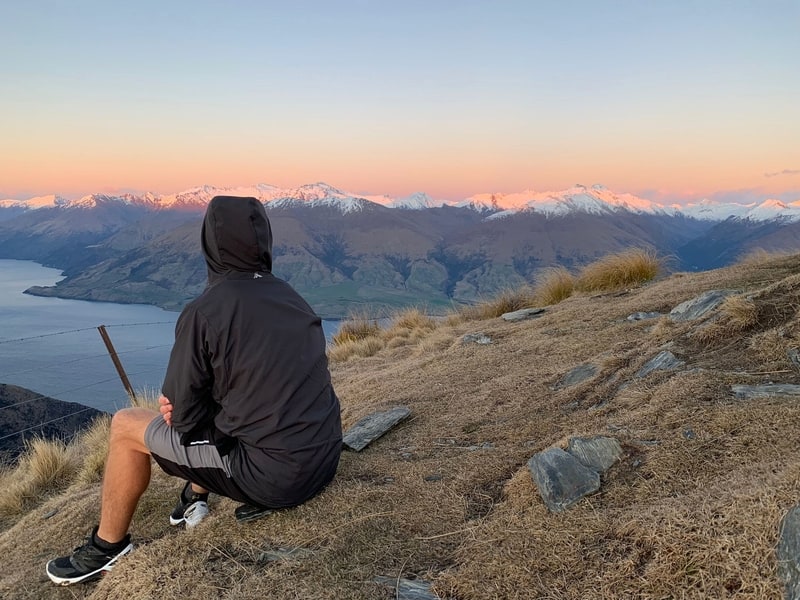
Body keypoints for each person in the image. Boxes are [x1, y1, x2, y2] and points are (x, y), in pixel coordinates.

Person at [46, 195, 343, 585]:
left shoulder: (206, 310)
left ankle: (107, 548)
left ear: (210, 244)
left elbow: (181, 416)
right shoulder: (292, 297)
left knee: (124, 426)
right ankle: (193, 498)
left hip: (276, 478)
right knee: (222, 407)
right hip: (323, 460)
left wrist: (188, 405)